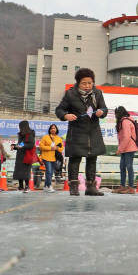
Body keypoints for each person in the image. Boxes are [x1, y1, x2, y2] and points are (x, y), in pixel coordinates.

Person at [55, 68, 107, 196]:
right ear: (78, 82)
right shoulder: (70, 94)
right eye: (84, 83)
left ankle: (91, 186)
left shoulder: (98, 93)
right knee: (75, 159)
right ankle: (73, 186)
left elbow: (104, 108)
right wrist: (66, 116)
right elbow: (59, 110)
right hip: (76, 132)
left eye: (90, 83)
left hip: (93, 132)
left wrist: (102, 112)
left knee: (92, 159)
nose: (87, 86)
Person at [114, 105, 138, 193]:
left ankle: (131, 187)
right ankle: (122, 186)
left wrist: (120, 149)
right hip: (125, 148)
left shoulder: (125, 122)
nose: (115, 116)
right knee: (122, 167)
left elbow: (126, 137)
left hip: (129, 148)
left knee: (129, 167)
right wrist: (121, 149)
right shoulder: (122, 122)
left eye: (115, 114)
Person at [11, 120, 36, 193]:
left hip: (26, 155)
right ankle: (21, 186)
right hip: (20, 155)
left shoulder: (29, 135)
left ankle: (27, 186)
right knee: (19, 171)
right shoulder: (21, 135)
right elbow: (20, 144)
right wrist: (14, 146)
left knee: (26, 171)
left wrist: (22, 146)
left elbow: (31, 144)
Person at [39, 124, 64, 193]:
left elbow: (61, 148)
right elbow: (41, 146)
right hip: (46, 156)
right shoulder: (45, 137)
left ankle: (46, 186)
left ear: (56, 129)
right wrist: (50, 148)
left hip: (54, 157)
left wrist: (57, 148)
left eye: (54, 128)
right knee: (49, 171)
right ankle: (49, 185)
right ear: (49, 130)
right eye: (51, 128)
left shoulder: (59, 138)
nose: (53, 129)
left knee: (51, 172)